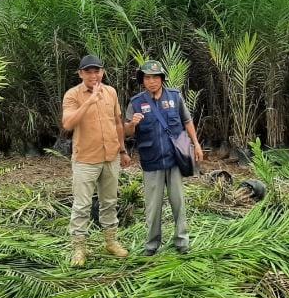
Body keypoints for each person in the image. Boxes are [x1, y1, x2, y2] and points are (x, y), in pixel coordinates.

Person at [124, 60, 203, 255]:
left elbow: (187, 121)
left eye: (155, 77)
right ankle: (152, 245)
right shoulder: (136, 103)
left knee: (179, 203)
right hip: (152, 161)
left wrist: (196, 144)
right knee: (153, 207)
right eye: (147, 78)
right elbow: (126, 132)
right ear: (142, 80)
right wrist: (132, 124)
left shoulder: (175, 97)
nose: (151, 81)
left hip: (175, 159)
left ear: (162, 79)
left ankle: (182, 242)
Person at [62, 54, 131, 266]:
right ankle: (79, 248)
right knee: (82, 205)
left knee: (109, 202)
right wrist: (89, 102)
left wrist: (122, 150)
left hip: (110, 156)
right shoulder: (72, 95)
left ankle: (110, 241)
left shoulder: (111, 92)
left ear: (102, 72)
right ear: (81, 74)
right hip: (86, 159)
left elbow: (118, 123)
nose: (93, 75)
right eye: (88, 71)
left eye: (97, 71)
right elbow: (67, 124)